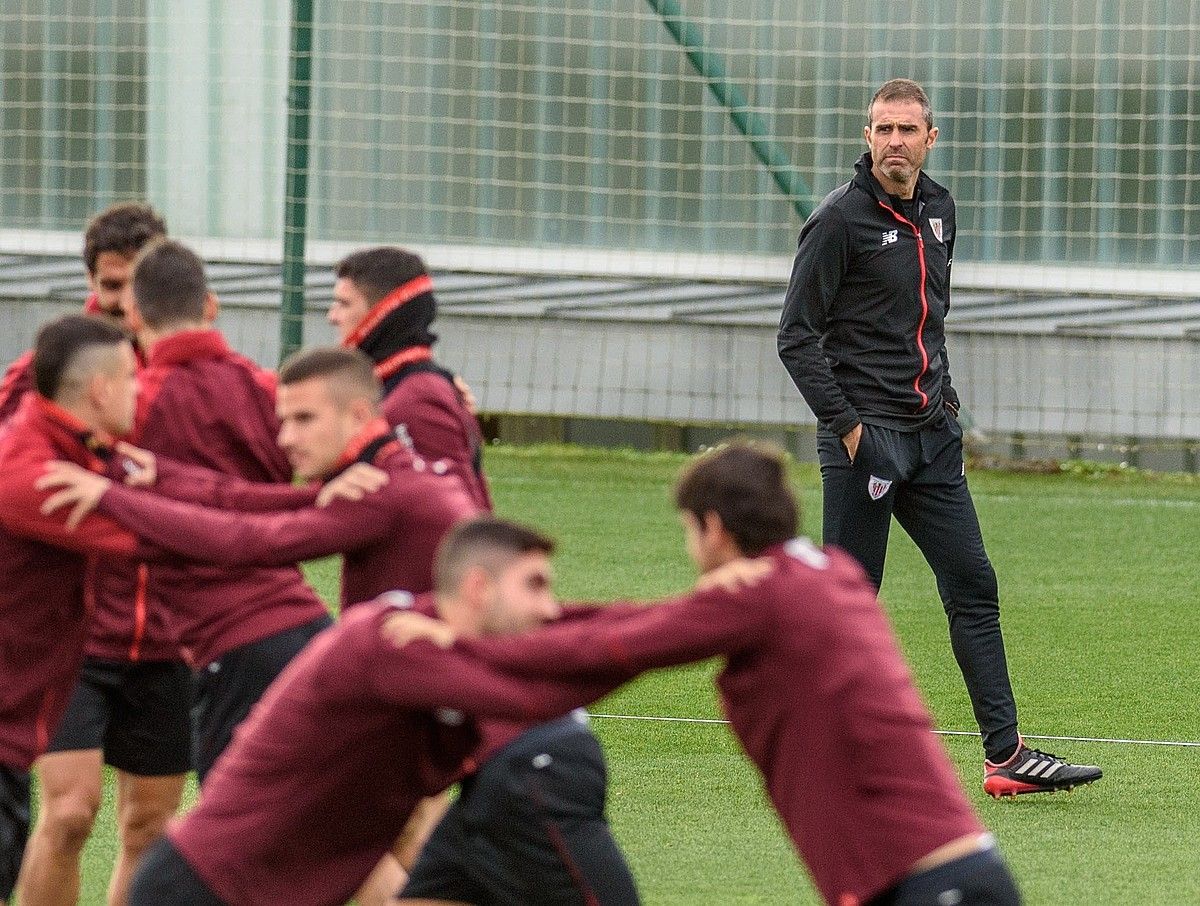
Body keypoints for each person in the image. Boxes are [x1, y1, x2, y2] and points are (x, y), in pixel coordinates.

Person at [399, 444, 1024, 906]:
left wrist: (462, 647)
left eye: (689, 532)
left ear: (714, 529)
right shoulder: (825, 571)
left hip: (928, 889)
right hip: (948, 877)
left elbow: (625, 644)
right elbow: (659, 620)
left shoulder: (761, 597)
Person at [775, 78, 1100, 796]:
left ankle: (1005, 758)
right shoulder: (837, 221)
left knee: (973, 584)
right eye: (883, 130)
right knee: (851, 603)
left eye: (907, 130)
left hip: (933, 439)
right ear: (867, 138)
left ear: (931, 138)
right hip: (868, 444)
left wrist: (944, 401)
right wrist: (855, 432)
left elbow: (928, 320)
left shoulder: (941, 211)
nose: (895, 142)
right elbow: (795, 338)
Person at [125, 518, 631, 906]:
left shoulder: (423, 646)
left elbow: (586, 637)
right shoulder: (389, 645)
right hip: (202, 893)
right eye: (536, 586)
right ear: (478, 587)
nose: (548, 609)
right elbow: (534, 695)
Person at [103, 239, 333, 783]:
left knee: (232, 840)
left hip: (224, 639)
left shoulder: (132, 403)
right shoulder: (269, 390)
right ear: (210, 305)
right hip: (302, 620)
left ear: (133, 313)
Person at [41, 345, 479, 616]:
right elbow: (263, 501)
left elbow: (246, 541)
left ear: (361, 415)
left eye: (304, 419)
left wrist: (111, 498)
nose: (286, 439)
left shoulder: (378, 491)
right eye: (283, 421)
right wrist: (165, 476)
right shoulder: (384, 472)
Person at [16, 204, 179, 906]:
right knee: (71, 812)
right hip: (77, 636)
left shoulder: (185, 370)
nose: (119, 302)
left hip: (170, 636)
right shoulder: (47, 371)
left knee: (150, 824)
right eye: (108, 285)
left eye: (132, 286)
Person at [0, 316, 147, 906]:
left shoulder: (77, 450)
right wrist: (311, 509)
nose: (143, 390)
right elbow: (169, 539)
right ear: (100, 390)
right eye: (133, 378)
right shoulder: (34, 476)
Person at [330, 246, 492, 510]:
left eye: (343, 304)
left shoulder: (416, 400)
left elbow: (453, 516)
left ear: (382, 315)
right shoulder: (395, 384)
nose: (332, 317)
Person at [0, 202, 165, 425]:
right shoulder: (43, 368)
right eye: (113, 286)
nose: (127, 301)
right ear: (90, 279)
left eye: (137, 286)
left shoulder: (182, 360)